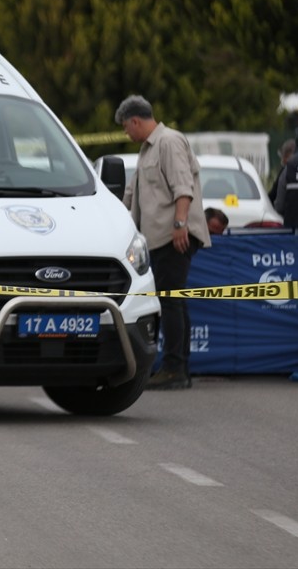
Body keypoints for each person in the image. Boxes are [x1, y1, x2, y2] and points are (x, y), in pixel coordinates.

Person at [116, 94, 210, 391]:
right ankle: (178, 366)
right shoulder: (148, 149)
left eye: (125, 127)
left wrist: (180, 225)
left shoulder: (168, 142)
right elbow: (132, 196)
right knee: (173, 302)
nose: (125, 133)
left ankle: (174, 369)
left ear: (135, 120)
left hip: (173, 236)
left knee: (170, 302)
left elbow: (183, 188)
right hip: (158, 239)